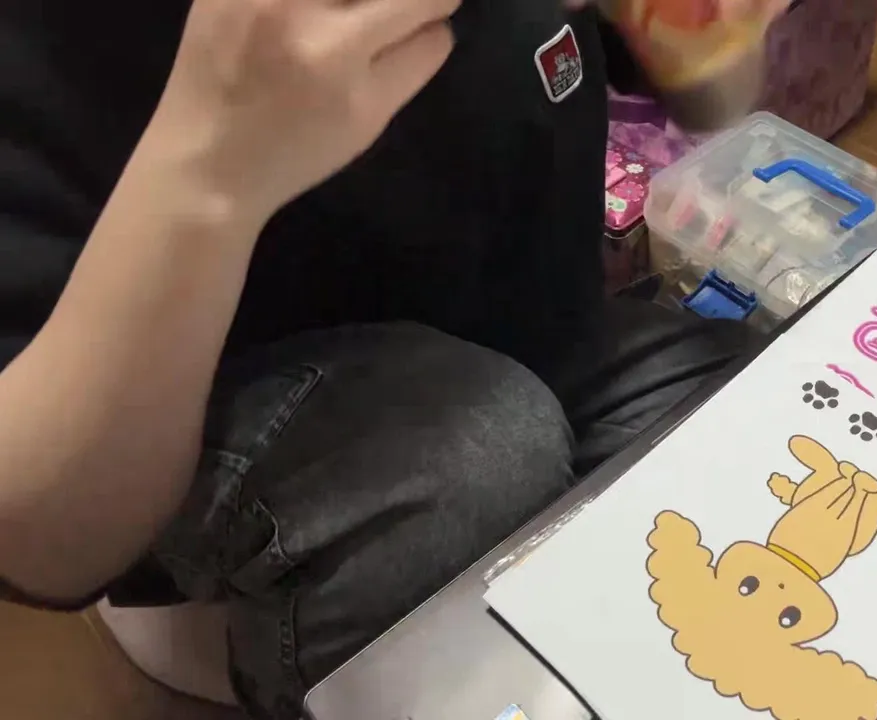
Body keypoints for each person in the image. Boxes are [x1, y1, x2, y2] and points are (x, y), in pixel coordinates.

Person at [0, 0, 783, 717]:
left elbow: (712, 91)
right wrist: (206, 175)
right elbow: (45, 541)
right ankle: (244, 634)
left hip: (522, 324)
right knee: (480, 456)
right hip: (185, 414)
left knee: (750, 416)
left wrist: (713, 25)